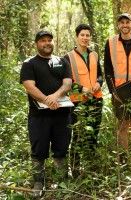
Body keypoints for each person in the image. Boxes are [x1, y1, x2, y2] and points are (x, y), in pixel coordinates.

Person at [20, 30, 72, 197]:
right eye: (43, 40)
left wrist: (54, 97)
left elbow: (67, 84)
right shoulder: (29, 64)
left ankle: (62, 180)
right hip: (39, 116)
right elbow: (29, 87)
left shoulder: (62, 61)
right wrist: (46, 100)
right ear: (36, 43)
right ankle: (38, 182)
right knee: (38, 149)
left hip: (62, 114)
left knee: (61, 148)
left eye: (50, 40)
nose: (47, 43)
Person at [104, 13, 131, 163]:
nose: (125, 25)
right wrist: (112, 90)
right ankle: (122, 155)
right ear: (118, 25)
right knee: (122, 124)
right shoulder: (110, 42)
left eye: (127, 22)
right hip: (119, 91)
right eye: (122, 22)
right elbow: (108, 69)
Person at [64, 24, 103, 177]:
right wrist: (80, 88)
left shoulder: (94, 55)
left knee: (93, 133)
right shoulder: (68, 57)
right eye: (82, 35)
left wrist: (99, 83)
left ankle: (91, 166)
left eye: (87, 35)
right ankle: (75, 168)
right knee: (78, 135)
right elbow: (66, 80)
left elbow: (100, 74)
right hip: (77, 102)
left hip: (96, 99)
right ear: (77, 37)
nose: (85, 38)